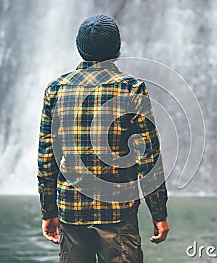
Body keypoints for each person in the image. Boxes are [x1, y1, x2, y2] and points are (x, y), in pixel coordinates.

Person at [37, 14, 169, 263]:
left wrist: (49, 211)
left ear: (79, 48)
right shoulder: (131, 88)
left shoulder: (56, 89)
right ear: (116, 49)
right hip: (118, 214)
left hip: (71, 212)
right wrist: (158, 213)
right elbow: (148, 158)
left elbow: (46, 158)